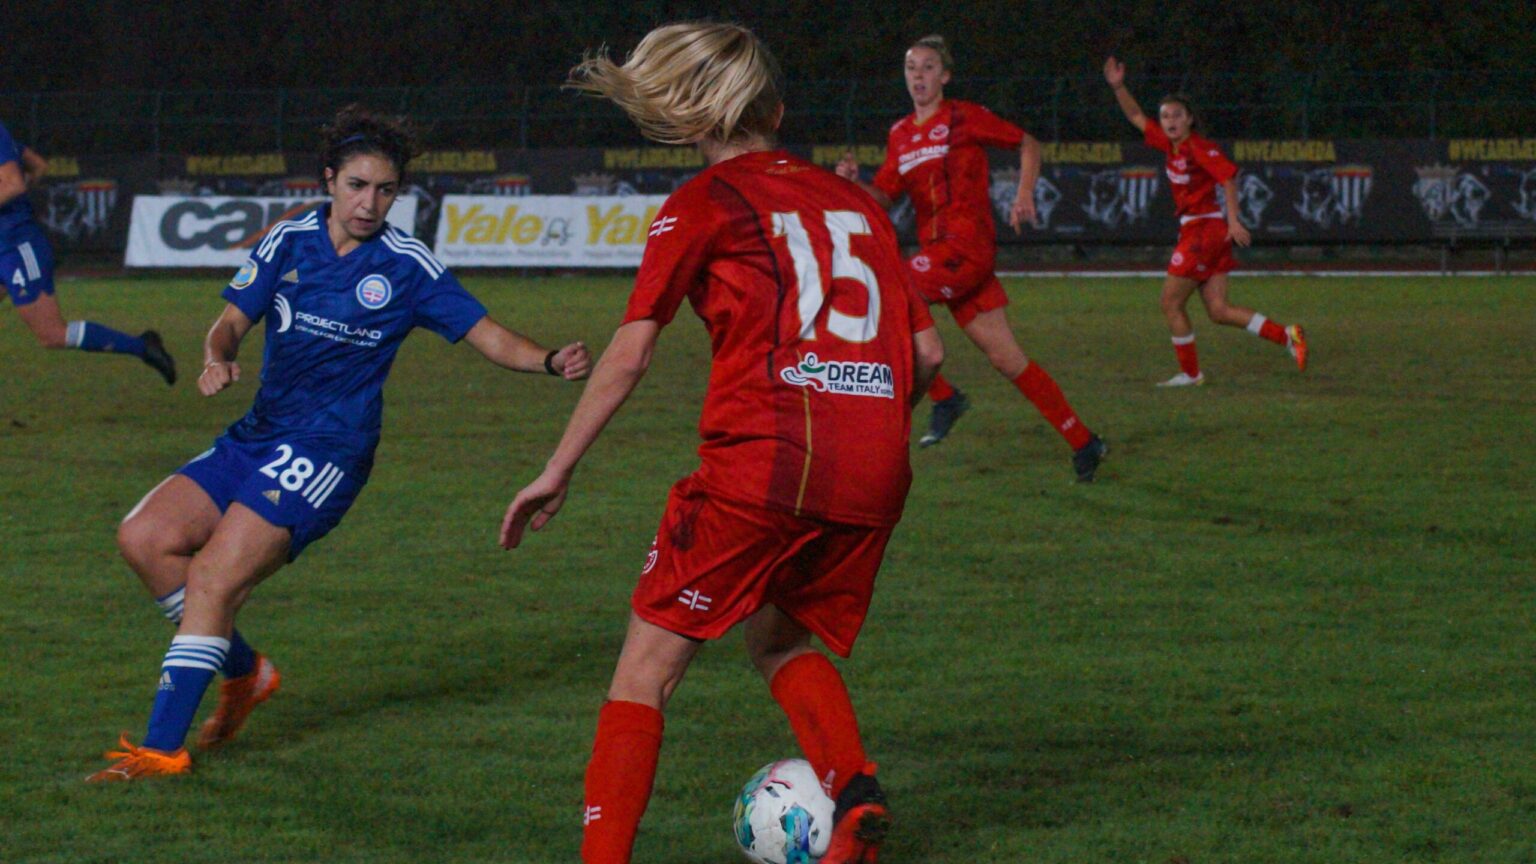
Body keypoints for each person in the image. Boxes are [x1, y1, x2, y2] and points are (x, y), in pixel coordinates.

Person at [500, 23, 943, 864]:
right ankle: (852, 795)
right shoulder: (858, 205)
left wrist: (556, 469)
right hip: (875, 474)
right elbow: (926, 355)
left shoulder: (704, 203)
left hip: (764, 466)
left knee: (644, 672)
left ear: (699, 119)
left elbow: (631, 352)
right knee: (777, 635)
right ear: (777, 110)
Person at [86, 105, 593, 782]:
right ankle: (245, 672)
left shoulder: (406, 266)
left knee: (211, 578)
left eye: (385, 190)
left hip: (326, 452)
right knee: (144, 539)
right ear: (329, 180)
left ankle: (160, 753)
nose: (369, 202)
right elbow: (231, 320)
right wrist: (218, 355)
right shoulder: (288, 242)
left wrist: (550, 359)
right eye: (357, 185)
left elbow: (487, 334)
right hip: (258, 436)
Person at [835, 35, 1105, 481]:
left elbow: (1028, 143)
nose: (918, 76)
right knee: (1008, 359)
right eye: (911, 67)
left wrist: (1023, 195)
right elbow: (881, 196)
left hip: (966, 250)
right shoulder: (900, 135)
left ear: (944, 76)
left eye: (927, 67)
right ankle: (1084, 441)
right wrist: (852, 183)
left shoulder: (963, 117)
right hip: (943, 258)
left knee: (888, 290)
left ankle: (943, 397)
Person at [1103, 56, 1308, 386]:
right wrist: (1118, 86)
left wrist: (1234, 222)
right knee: (1218, 310)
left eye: (1176, 115)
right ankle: (1287, 337)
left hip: (1203, 231)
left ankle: (1190, 374)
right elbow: (1136, 116)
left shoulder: (1197, 147)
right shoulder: (1170, 144)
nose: (1170, 121)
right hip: (1203, 230)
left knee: (1170, 303)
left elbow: (1228, 178)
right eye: (1166, 116)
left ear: (1189, 120)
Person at [0, 122, 177, 384]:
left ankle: (143, 347)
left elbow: (14, 184)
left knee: (51, 335)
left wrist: (14, 215)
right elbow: (38, 166)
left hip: (17, 247)